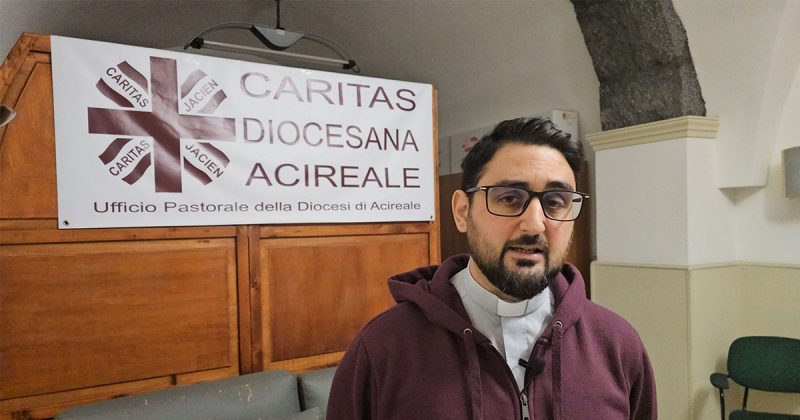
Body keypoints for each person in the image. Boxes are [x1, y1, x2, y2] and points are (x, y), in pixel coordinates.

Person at [327, 116, 657, 419]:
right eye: (510, 198)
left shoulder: (616, 344)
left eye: (555, 202)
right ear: (462, 212)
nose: (534, 224)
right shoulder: (383, 348)